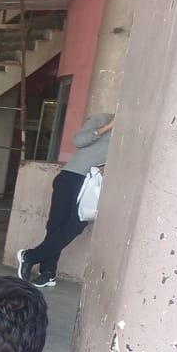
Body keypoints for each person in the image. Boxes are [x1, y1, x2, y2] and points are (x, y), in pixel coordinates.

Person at [17, 113, 115, 288]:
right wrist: (109, 126)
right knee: (56, 224)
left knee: (76, 225)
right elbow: (78, 141)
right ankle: (48, 273)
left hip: (92, 184)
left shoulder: (134, 131)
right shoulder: (102, 119)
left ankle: (30, 256)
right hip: (71, 175)